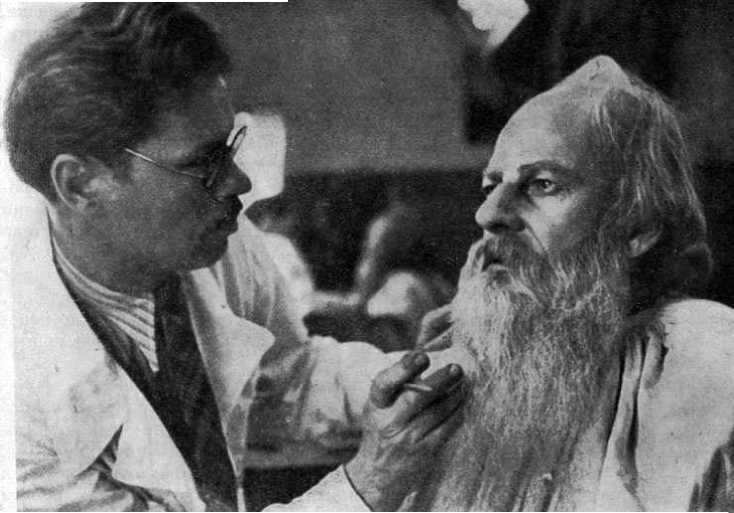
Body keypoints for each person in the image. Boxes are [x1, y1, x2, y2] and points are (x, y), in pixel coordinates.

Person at [6, 4, 466, 511]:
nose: (239, 183)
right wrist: (370, 484)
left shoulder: (210, 240)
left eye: (229, 148)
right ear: (79, 183)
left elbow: (289, 376)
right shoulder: (18, 391)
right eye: (202, 163)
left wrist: (418, 378)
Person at [413, 55, 734, 510]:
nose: (488, 214)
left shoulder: (707, 360)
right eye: (491, 185)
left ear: (638, 226)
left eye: (542, 184)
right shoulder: (503, 350)